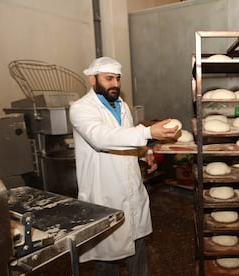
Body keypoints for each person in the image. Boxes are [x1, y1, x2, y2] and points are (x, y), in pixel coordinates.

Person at [69, 56, 179, 276]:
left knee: (138, 250)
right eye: (109, 78)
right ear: (92, 79)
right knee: (107, 258)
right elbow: (101, 138)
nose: (116, 84)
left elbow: (123, 137)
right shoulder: (81, 109)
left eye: (118, 78)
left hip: (131, 192)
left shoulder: (122, 107)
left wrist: (143, 153)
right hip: (105, 194)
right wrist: (148, 133)